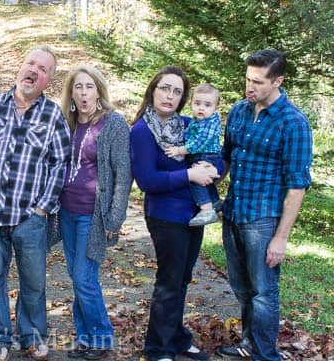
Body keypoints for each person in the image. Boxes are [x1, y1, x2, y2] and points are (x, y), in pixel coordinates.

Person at [0, 45, 71, 361]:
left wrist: (43, 206)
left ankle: (31, 336)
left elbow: (61, 162)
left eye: (43, 69)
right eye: (31, 63)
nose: (34, 71)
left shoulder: (52, 115)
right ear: (20, 66)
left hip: (30, 217)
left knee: (33, 282)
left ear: (48, 81)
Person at [217, 50, 312, 361]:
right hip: (232, 214)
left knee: (263, 293)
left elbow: (297, 187)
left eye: (257, 82)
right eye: (247, 79)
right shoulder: (239, 111)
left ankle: (265, 355)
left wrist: (281, 238)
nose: (249, 87)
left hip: (262, 220)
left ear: (278, 81)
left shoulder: (293, 123)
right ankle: (248, 343)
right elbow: (227, 159)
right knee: (242, 288)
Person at [129, 66, 221, 361]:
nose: (170, 95)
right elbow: (147, 181)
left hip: (194, 213)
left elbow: (214, 153)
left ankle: (177, 339)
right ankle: (157, 349)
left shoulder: (188, 124)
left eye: (177, 91)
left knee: (182, 279)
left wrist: (214, 170)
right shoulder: (143, 130)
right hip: (165, 215)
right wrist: (190, 176)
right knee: (169, 281)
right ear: (153, 90)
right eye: (165, 88)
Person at [57, 66, 132, 360]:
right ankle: (85, 337)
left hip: (93, 215)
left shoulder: (112, 123)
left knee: (84, 277)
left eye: (89, 86)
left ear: (99, 90)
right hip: (66, 212)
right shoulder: (67, 122)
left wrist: (115, 217)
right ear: (71, 92)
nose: (84, 92)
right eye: (78, 87)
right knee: (78, 278)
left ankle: (101, 338)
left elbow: (123, 174)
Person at [165, 83, 222, 226]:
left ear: (216, 108)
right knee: (206, 182)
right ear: (191, 103)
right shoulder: (196, 121)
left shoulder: (210, 123)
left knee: (196, 179)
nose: (201, 108)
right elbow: (188, 135)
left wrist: (178, 150)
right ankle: (215, 202)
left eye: (207, 105)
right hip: (202, 155)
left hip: (207, 155)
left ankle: (207, 209)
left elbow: (198, 143)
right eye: (197, 103)